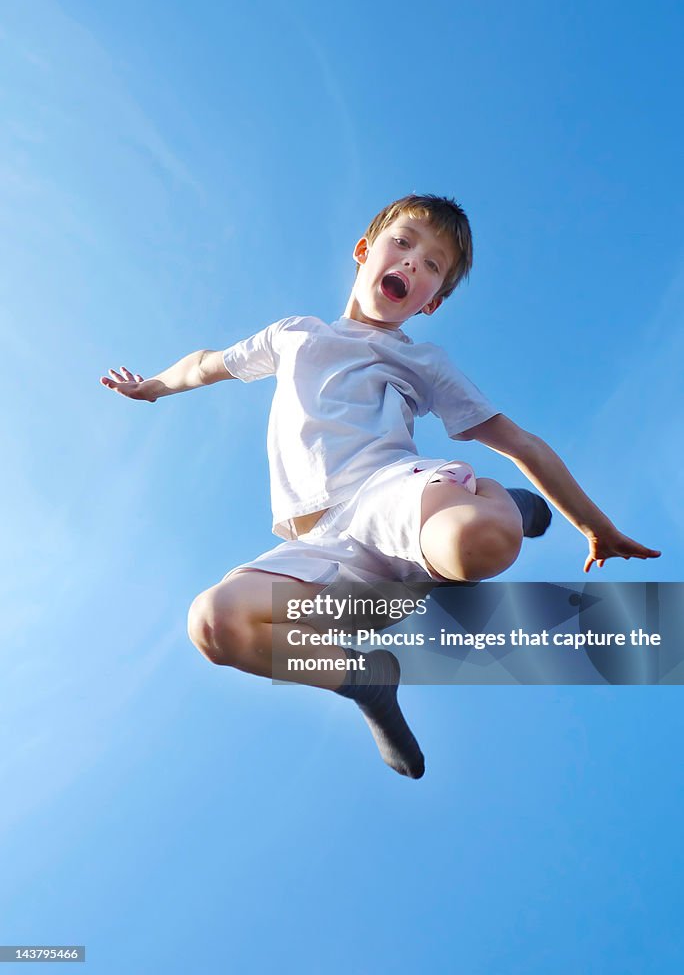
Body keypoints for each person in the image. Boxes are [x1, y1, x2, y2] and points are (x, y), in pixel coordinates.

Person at [100, 194, 661, 780]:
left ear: (432, 303)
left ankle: (509, 508)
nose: (415, 262)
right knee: (214, 622)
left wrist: (595, 525)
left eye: (434, 265)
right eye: (405, 242)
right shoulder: (296, 335)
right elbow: (207, 363)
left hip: (392, 496)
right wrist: (156, 387)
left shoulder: (423, 362)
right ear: (366, 251)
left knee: (484, 540)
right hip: (325, 553)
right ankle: (366, 681)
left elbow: (521, 441)